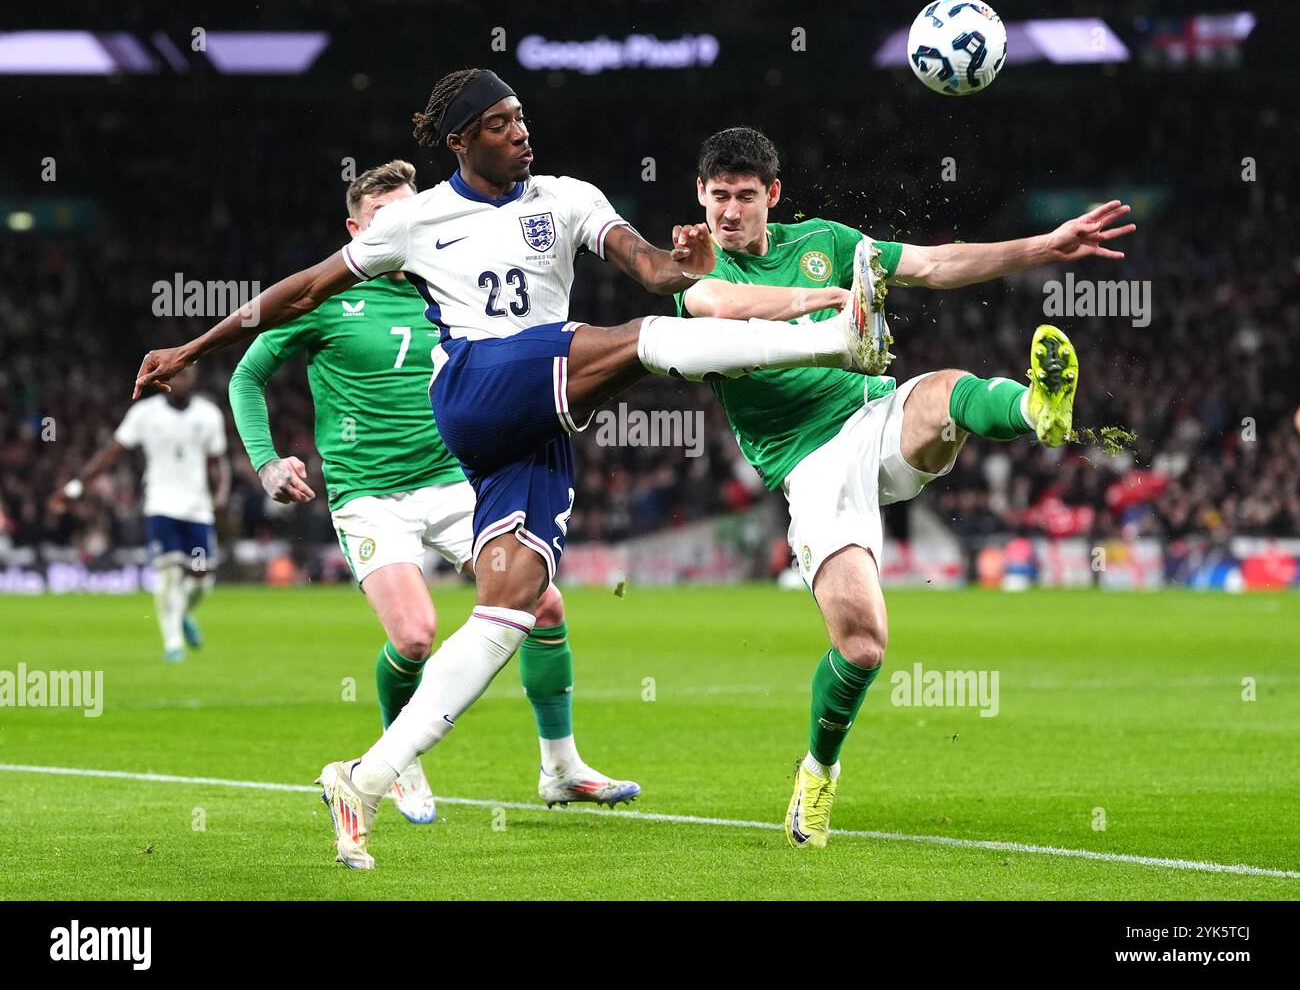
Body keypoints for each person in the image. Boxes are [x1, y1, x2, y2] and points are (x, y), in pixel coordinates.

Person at [132, 69, 878, 869]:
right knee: (638, 342)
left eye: (520, 117)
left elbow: (656, 272)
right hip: (478, 387)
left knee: (512, 608)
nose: (520, 132)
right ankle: (838, 338)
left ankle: (366, 777)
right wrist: (192, 348)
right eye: (498, 123)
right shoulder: (416, 220)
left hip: (535, 422)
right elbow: (300, 290)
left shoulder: (568, 198)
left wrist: (686, 259)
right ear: (459, 141)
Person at [674, 127, 1134, 847]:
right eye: (717, 196)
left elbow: (934, 263)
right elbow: (724, 310)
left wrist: (1044, 246)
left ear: (772, 196)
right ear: (700, 197)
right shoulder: (691, 271)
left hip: (872, 413)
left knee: (948, 390)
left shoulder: (822, 238)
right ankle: (818, 772)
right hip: (809, 464)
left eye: (744, 196)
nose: (729, 211)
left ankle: (1034, 410)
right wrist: (826, 304)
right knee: (862, 645)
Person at [227, 159, 639, 822]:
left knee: (546, 605)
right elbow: (245, 378)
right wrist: (267, 462)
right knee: (417, 635)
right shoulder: (328, 297)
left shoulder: (449, 283)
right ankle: (398, 760)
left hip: (454, 482)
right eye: (387, 219)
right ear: (357, 228)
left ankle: (560, 768)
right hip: (369, 495)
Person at [51, 367, 229, 662]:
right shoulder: (145, 414)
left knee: (201, 579)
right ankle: (173, 644)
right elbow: (111, 452)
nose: (182, 381)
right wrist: (75, 487)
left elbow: (216, 462)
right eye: (177, 376)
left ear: (195, 379)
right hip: (160, 506)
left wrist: (220, 496)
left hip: (197, 508)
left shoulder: (209, 415)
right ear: (167, 381)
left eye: (187, 376)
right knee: (170, 575)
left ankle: (182, 613)